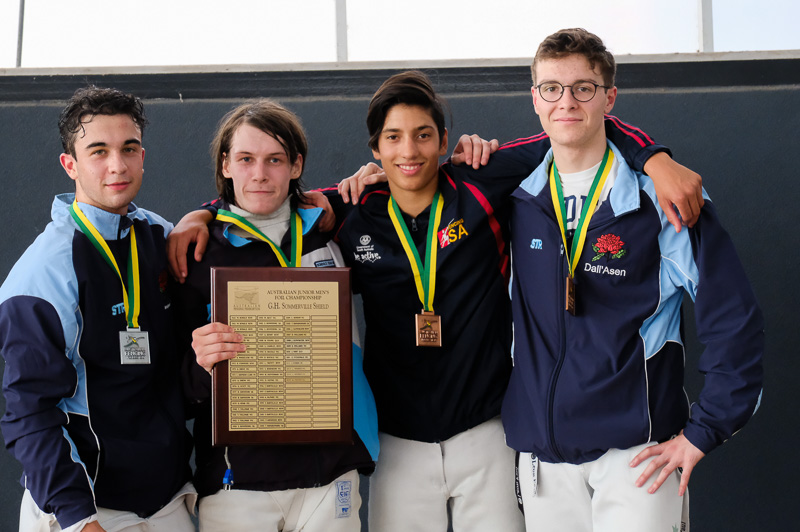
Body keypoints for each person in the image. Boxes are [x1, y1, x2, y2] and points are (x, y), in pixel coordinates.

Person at [166, 70, 704, 531]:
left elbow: (577, 132)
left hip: (487, 431)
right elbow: (264, 196)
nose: (409, 150)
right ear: (375, 149)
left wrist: (654, 158)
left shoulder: (482, 182)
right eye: (394, 138)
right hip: (400, 443)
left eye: (423, 135)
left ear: (444, 140)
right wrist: (206, 213)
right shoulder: (354, 209)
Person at [502, 28, 764, 532]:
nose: (567, 101)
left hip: (639, 459)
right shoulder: (515, 198)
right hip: (542, 461)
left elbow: (735, 322)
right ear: (534, 98)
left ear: (609, 97)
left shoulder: (666, 202)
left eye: (584, 87)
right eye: (551, 88)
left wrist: (704, 431)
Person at [172, 99, 379, 532]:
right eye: (245, 159)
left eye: (275, 160)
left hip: (330, 472)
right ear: (226, 165)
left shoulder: (331, 227)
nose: (260, 174)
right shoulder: (197, 252)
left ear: (296, 165)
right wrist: (200, 364)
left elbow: (397, 177)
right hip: (239, 483)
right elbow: (174, 390)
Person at [0, 87, 196, 531]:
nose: (117, 166)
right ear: (70, 164)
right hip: (88, 507)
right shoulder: (41, 275)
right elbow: (29, 412)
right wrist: (78, 518)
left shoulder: (158, 236)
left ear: (142, 156)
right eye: (98, 151)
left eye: (129, 149)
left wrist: (325, 200)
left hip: (165, 501)